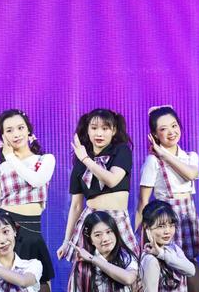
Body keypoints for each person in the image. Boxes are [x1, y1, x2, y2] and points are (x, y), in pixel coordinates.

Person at [0, 109, 67, 292]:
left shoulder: (45, 160)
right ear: (2, 135)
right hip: (5, 236)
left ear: (29, 131)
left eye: (20, 128)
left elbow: (36, 181)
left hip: (31, 233)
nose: (16, 134)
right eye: (9, 130)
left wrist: (10, 157)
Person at [135, 105, 199, 292]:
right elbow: (143, 201)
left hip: (187, 216)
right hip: (164, 218)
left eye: (174, 126)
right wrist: (138, 234)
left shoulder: (190, 156)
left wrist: (164, 154)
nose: (171, 132)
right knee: (165, 263)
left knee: (190, 263)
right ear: (154, 134)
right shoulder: (152, 161)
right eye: (163, 129)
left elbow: (191, 174)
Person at [57, 109, 139, 263]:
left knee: (127, 266)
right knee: (88, 270)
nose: (99, 133)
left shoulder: (121, 150)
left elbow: (112, 180)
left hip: (116, 220)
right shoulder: (81, 161)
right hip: (90, 221)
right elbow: (76, 205)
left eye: (105, 128)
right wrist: (66, 241)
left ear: (113, 130)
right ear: (87, 130)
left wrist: (86, 160)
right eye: (94, 128)